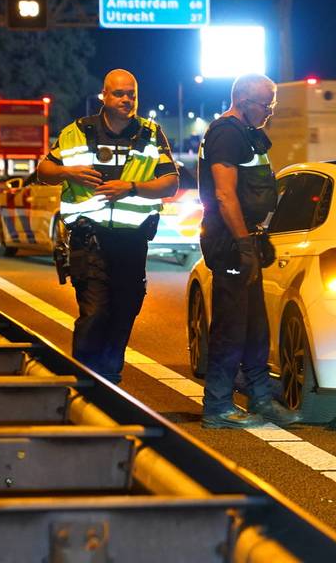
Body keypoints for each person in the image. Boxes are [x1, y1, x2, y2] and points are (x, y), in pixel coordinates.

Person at [37, 69, 178, 384]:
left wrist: (130, 187)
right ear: (104, 95)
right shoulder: (78, 131)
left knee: (126, 308)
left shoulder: (150, 133)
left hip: (132, 241)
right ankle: (86, 382)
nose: (127, 100)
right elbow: (43, 170)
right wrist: (69, 172)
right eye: (119, 94)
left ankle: (111, 378)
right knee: (96, 312)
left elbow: (170, 183)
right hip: (90, 239)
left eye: (131, 94)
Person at [197, 74, 300, 429]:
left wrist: (258, 237)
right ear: (243, 101)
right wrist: (242, 242)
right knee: (231, 325)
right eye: (266, 104)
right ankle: (217, 406)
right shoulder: (226, 134)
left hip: (244, 238)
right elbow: (225, 196)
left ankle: (260, 399)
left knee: (255, 326)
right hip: (228, 241)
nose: (270, 111)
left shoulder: (246, 134)